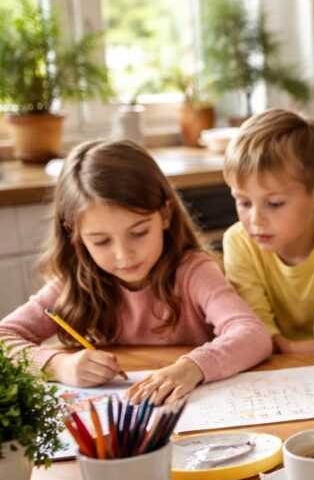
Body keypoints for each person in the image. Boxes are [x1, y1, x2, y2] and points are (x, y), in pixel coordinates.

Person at [0, 140, 272, 404]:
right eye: (101, 241)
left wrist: (192, 367)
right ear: (75, 234)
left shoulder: (194, 272)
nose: (124, 255)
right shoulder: (72, 283)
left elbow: (252, 335)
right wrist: (57, 365)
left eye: (139, 232)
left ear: (165, 215)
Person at [222, 109, 314, 355]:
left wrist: (289, 348)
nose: (255, 220)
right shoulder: (238, 242)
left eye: (275, 203)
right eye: (244, 203)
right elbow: (256, 333)